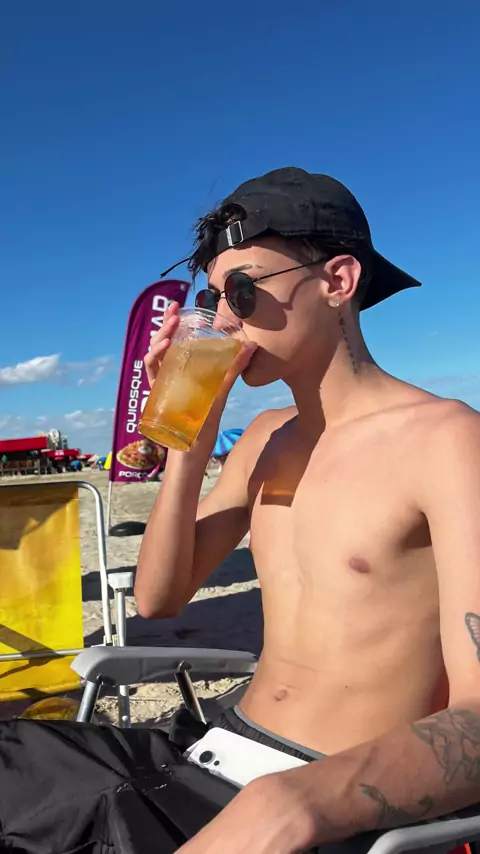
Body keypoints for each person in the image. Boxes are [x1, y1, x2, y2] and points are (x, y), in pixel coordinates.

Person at [0, 168, 479, 854]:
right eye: (213, 298)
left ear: (338, 281)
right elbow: (159, 598)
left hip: (331, 795)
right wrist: (187, 439)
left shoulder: (447, 442)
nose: (223, 319)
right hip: (213, 749)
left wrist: (297, 802)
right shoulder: (263, 438)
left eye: (243, 291)